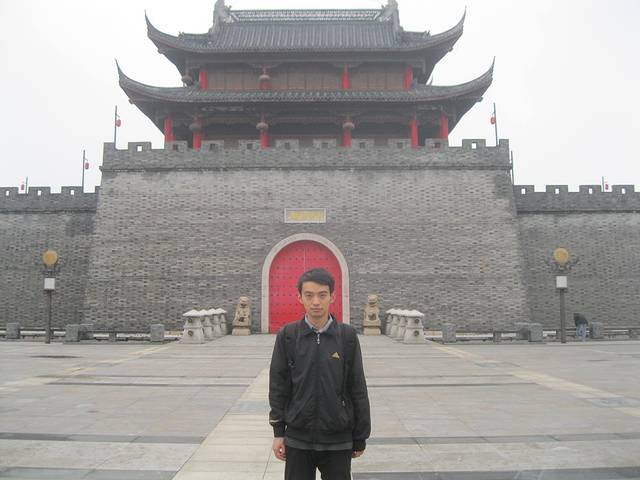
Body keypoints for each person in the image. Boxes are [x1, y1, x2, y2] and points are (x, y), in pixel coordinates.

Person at [269, 268, 371, 480]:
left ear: (332, 296)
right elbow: (278, 387)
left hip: (338, 439)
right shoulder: (288, 336)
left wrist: (360, 436)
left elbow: (357, 387)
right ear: (299, 297)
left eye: (322, 295)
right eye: (309, 295)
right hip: (298, 438)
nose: (316, 302)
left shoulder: (347, 336)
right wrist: (278, 432)